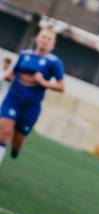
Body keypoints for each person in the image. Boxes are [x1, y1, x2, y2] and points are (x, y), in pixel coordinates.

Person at [0, 29, 65, 167]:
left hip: (31, 107)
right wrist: (6, 76)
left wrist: (43, 82)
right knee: (4, 132)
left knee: (18, 139)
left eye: (49, 39)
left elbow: (61, 86)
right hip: (13, 100)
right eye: (43, 37)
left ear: (53, 44)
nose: (45, 40)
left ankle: (16, 150)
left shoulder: (54, 62)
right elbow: (12, 73)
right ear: (37, 38)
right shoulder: (24, 55)